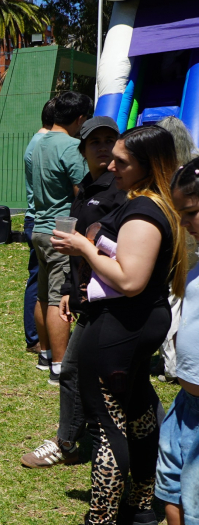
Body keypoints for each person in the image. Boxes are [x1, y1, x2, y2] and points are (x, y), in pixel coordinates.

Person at [52, 126, 188, 525]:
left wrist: (83, 247)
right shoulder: (151, 203)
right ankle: (141, 505)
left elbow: (130, 280)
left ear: (149, 165)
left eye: (121, 162)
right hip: (136, 323)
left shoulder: (144, 211)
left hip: (120, 326)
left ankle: (102, 517)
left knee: (107, 425)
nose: (111, 167)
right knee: (139, 413)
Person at [21, 116, 125, 469]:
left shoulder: (120, 190)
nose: (103, 147)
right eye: (95, 141)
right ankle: (70, 441)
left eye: (110, 140)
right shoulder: (86, 189)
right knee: (79, 371)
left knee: (113, 378)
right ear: (82, 149)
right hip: (89, 297)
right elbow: (78, 248)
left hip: (114, 301)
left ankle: (78, 442)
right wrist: (69, 289)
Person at [30, 91, 92, 385]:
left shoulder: (38, 141)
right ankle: (59, 366)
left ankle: (45, 355)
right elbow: (82, 190)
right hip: (61, 232)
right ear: (80, 119)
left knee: (43, 295)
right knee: (58, 299)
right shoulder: (70, 146)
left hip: (39, 229)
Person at [156, 159, 199, 525]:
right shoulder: (195, 267)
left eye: (191, 212)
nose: (183, 223)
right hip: (185, 404)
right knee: (171, 489)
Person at [155, 116, 199, 384]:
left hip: (173, 241)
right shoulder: (192, 167)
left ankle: (171, 363)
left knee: (172, 297)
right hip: (191, 243)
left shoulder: (161, 171)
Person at [23, 98, 57, 359]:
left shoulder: (36, 142)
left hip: (34, 218)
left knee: (38, 278)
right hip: (41, 219)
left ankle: (38, 336)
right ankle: (36, 337)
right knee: (39, 280)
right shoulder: (44, 144)